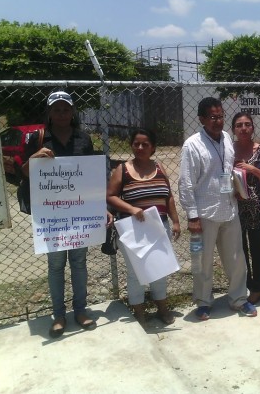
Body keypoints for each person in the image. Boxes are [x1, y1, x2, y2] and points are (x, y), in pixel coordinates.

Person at [22, 91, 110, 338]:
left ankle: (80, 310)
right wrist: (34, 158)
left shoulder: (83, 138)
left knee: (79, 263)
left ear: (73, 112)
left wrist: (99, 206)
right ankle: (59, 315)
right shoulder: (38, 139)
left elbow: (91, 177)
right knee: (56, 264)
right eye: (57, 109)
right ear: (49, 113)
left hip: (79, 214)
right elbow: (24, 173)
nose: (62, 113)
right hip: (51, 215)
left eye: (66, 109)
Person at [178, 97, 256, 320]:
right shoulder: (192, 145)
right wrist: (192, 215)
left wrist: (237, 188)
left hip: (229, 208)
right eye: (213, 117)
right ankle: (204, 302)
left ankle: (239, 299)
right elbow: (185, 182)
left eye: (221, 116)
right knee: (203, 261)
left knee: (236, 258)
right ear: (202, 119)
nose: (218, 121)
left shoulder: (227, 138)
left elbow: (228, 169)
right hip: (205, 213)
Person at [106, 128, 181, 327]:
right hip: (133, 229)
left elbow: (168, 196)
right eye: (136, 144)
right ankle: (139, 312)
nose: (140, 147)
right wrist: (131, 209)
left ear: (153, 147)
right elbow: (110, 196)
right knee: (135, 273)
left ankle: (162, 307)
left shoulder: (159, 167)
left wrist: (175, 221)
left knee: (159, 269)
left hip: (158, 227)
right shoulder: (122, 169)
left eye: (145, 144)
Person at [232, 112, 260, 305]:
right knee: (239, 250)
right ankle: (244, 285)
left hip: (256, 206)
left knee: (256, 248)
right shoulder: (228, 150)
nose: (243, 128)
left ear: (252, 127)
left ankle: (257, 288)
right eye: (239, 125)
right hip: (234, 206)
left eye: (247, 124)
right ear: (233, 129)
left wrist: (253, 170)